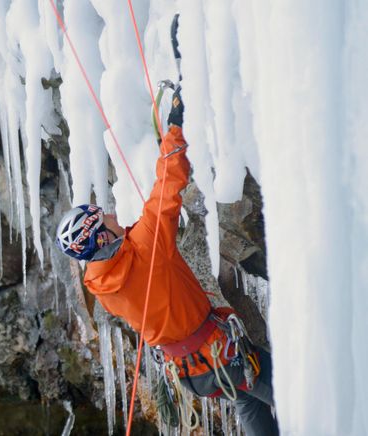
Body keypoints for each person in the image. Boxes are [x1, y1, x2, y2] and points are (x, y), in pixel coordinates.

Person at [55, 89, 279, 435]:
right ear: (101, 237)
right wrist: (176, 126)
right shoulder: (146, 245)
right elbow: (168, 184)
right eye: (105, 217)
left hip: (195, 372)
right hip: (220, 357)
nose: (114, 214)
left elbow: (126, 256)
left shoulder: (100, 286)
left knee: (247, 401)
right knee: (293, 393)